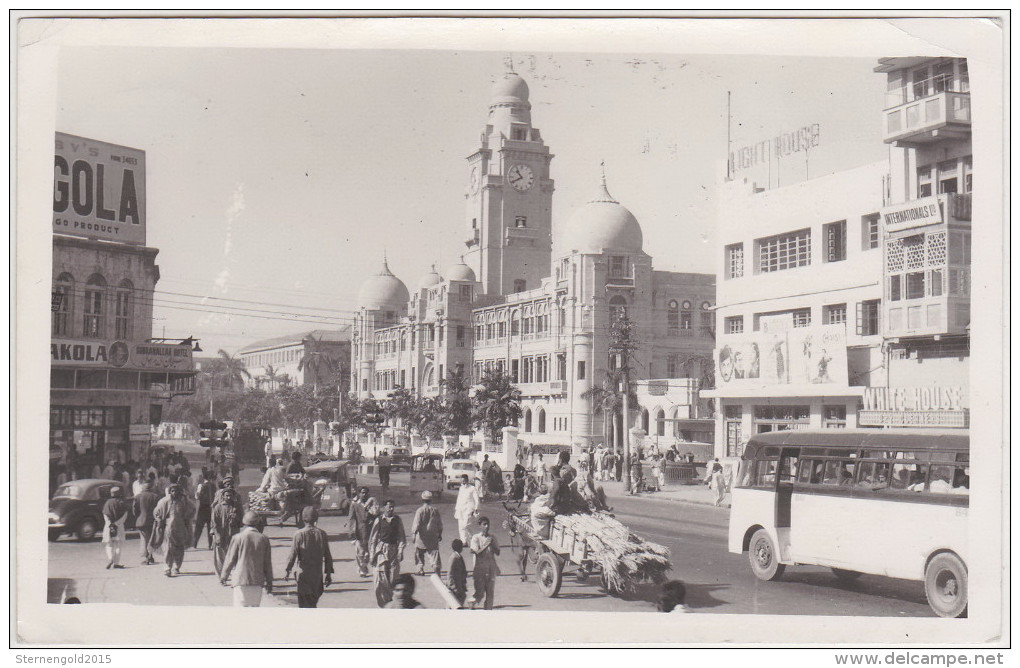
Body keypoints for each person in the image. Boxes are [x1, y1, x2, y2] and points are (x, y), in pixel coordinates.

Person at [220, 511, 274, 607]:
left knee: (240, 610)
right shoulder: (264, 539)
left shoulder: (237, 538)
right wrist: (269, 581)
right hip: (257, 581)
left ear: (244, 523)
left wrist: (224, 576)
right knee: (254, 610)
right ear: (258, 523)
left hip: (240, 580)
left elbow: (230, 559)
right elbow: (267, 563)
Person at [285, 507, 334, 608]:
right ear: (316, 518)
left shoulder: (299, 534)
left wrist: (288, 570)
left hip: (304, 576)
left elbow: (292, 555)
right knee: (313, 603)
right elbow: (328, 556)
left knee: (303, 605)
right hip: (317, 577)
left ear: (303, 519)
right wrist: (328, 574)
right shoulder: (322, 534)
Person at [151, 484, 195, 577]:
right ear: (170, 492)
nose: (174, 493)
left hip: (181, 528)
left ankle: (177, 566)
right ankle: (167, 567)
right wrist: (160, 520)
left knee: (180, 548)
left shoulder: (184, 501)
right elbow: (156, 512)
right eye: (172, 491)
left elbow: (193, 509)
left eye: (176, 491)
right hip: (169, 529)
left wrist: (187, 518)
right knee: (168, 548)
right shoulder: (165, 501)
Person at [369, 499, 406, 607]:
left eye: (393, 507)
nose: (391, 509)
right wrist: (372, 555)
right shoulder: (379, 520)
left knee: (393, 578)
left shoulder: (397, 520)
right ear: (384, 507)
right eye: (389, 506)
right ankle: (384, 603)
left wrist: (400, 551)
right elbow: (373, 539)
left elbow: (402, 538)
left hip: (394, 550)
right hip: (381, 550)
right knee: (381, 579)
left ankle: (390, 601)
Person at [468, 516, 501, 610]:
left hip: (491, 568)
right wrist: (486, 545)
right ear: (480, 526)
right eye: (484, 524)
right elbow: (477, 553)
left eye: (488, 524)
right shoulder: (475, 538)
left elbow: (498, 553)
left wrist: (493, 545)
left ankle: (488, 610)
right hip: (479, 569)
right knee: (480, 593)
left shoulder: (492, 537)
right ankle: (471, 602)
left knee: (490, 593)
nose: (486, 526)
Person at [347, 486, 379, 578]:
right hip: (359, 531)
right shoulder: (355, 504)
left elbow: (376, 514)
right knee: (360, 553)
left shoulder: (371, 504)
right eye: (362, 493)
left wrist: (372, 503)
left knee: (368, 553)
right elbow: (351, 519)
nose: (364, 494)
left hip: (370, 531)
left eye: (366, 493)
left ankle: (364, 566)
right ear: (359, 493)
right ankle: (362, 569)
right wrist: (351, 532)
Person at [211, 485, 243, 574]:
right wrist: (217, 535)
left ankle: (235, 574)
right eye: (227, 495)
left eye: (230, 496)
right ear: (223, 496)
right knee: (220, 555)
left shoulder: (237, 507)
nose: (229, 497)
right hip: (221, 534)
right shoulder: (218, 507)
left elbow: (242, 522)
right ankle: (221, 575)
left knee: (234, 554)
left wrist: (236, 518)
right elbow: (214, 523)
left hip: (233, 534)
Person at [411, 491, 443, 576]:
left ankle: (420, 569)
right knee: (434, 553)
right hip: (432, 535)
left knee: (419, 553)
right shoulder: (435, 510)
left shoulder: (420, 511)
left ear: (422, 500)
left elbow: (416, 523)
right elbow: (439, 524)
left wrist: (413, 534)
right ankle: (435, 566)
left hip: (421, 536)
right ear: (431, 500)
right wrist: (440, 533)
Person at [101, 486, 129, 570]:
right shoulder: (122, 503)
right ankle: (116, 563)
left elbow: (105, 514)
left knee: (109, 544)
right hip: (119, 526)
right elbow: (125, 515)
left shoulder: (107, 503)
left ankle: (110, 559)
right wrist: (117, 523)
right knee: (118, 545)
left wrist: (109, 523)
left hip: (109, 527)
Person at [132, 480, 159, 565]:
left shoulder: (137, 497)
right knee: (151, 538)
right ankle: (150, 556)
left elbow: (134, 510)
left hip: (141, 520)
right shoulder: (155, 496)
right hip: (152, 520)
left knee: (144, 539)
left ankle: (147, 557)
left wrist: (139, 516)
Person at [193, 471, 216, 549]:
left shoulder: (201, 485)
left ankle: (195, 543)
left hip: (203, 507)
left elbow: (197, 497)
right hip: (210, 507)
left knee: (199, 526)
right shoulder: (213, 486)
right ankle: (210, 544)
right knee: (210, 527)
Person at [454, 474, 480, 543]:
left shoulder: (472, 488)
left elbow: (476, 499)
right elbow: (459, 499)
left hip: (468, 509)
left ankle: (473, 539)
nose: (463, 482)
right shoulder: (461, 488)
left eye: (464, 481)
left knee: (466, 525)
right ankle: (464, 541)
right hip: (460, 509)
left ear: (467, 480)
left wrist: (476, 508)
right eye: (462, 481)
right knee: (461, 527)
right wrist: (457, 508)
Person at [446, 539, 468, 606]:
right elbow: (450, 573)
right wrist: (453, 586)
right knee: (454, 602)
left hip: (459, 585)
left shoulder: (457, 556)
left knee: (458, 600)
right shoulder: (454, 558)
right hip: (455, 586)